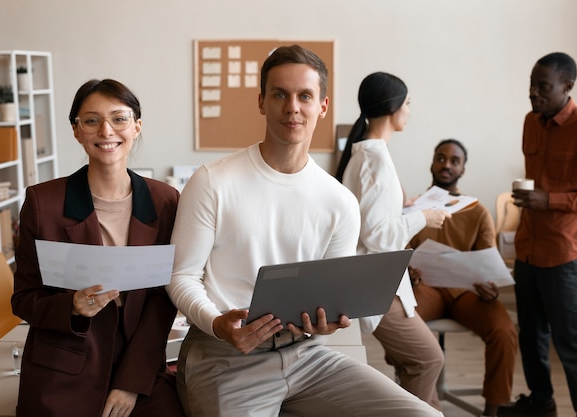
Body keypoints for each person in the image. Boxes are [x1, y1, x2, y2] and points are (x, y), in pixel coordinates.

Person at [167, 46, 441, 417]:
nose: (292, 106)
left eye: (304, 96)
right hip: (224, 354)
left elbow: (331, 291)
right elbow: (181, 275)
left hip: (305, 354)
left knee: (425, 415)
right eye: (280, 94)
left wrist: (328, 320)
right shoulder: (213, 181)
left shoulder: (340, 201)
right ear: (262, 102)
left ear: (322, 106)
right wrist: (217, 324)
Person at [11, 79, 185, 417]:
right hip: (63, 368)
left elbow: (162, 298)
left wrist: (132, 383)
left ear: (136, 127)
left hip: (139, 367)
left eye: (119, 119)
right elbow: (24, 299)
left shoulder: (166, 201)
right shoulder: (42, 202)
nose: (106, 131)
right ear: (77, 131)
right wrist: (71, 306)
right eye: (91, 120)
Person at [499, 52, 577, 417]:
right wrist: (532, 198)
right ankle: (541, 403)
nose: (533, 93)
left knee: (574, 344)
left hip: (564, 255)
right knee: (532, 337)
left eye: (543, 87)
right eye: (531, 86)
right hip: (528, 250)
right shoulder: (531, 122)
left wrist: (549, 200)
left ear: (567, 87)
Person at [335, 71, 448, 410]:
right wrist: (423, 218)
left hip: (379, 282)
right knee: (429, 360)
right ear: (394, 106)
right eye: (408, 103)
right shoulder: (375, 159)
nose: (410, 110)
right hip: (377, 285)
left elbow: (374, 219)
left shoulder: (367, 154)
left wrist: (405, 208)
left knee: (417, 366)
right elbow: (378, 235)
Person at [408, 138, 518, 417]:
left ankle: (493, 409)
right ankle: (421, 405)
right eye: (441, 158)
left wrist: (491, 287)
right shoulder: (414, 208)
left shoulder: (477, 211)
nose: (446, 165)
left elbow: (488, 263)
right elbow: (400, 255)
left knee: (504, 331)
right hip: (426, 289)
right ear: (432, 163)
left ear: (463, 170)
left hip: (467, 293)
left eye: (454, 161)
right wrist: (407, 272)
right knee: (401, 321)